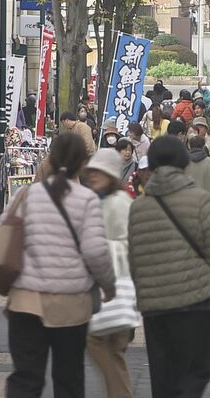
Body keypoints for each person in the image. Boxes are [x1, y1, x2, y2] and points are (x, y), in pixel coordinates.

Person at [0, 133, 116, 398]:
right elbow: (96, 252)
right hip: (72, 305)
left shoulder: (26, 195)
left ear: (50, 159)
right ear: (82, 163)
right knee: (69, 380)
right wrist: (109, 286)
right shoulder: (86, 200)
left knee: (26, 379)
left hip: (26, 304)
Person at [128, 136, 210, 397]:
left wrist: (140, 295)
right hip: (195, 302)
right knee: (196, 371)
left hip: (155, 306)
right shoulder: (201, 201)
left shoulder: (138, 207)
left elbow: (134, 257)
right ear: (183, 161)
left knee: (163, 377)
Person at [83, 149, 135, 398]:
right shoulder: (101, 200)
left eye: (99, 172)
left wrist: (97, 247)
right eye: (92, 171)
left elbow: (128, 244)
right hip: (108, 287)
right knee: (114, 353)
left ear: (112, 175)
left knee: (100, 343)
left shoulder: (119, 203)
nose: (93, 176)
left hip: (115, 287)